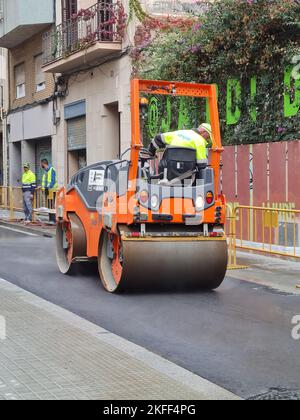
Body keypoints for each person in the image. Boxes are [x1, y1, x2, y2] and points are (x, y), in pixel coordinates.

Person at [147, 123, 213, 167]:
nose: (207, 139)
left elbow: (158, 138)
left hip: (166, 168)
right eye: (208, 137)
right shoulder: (200, 141)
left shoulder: (180, 132)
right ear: (204, 132)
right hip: (186, 175)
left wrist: (151, 153)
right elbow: (201, 164)